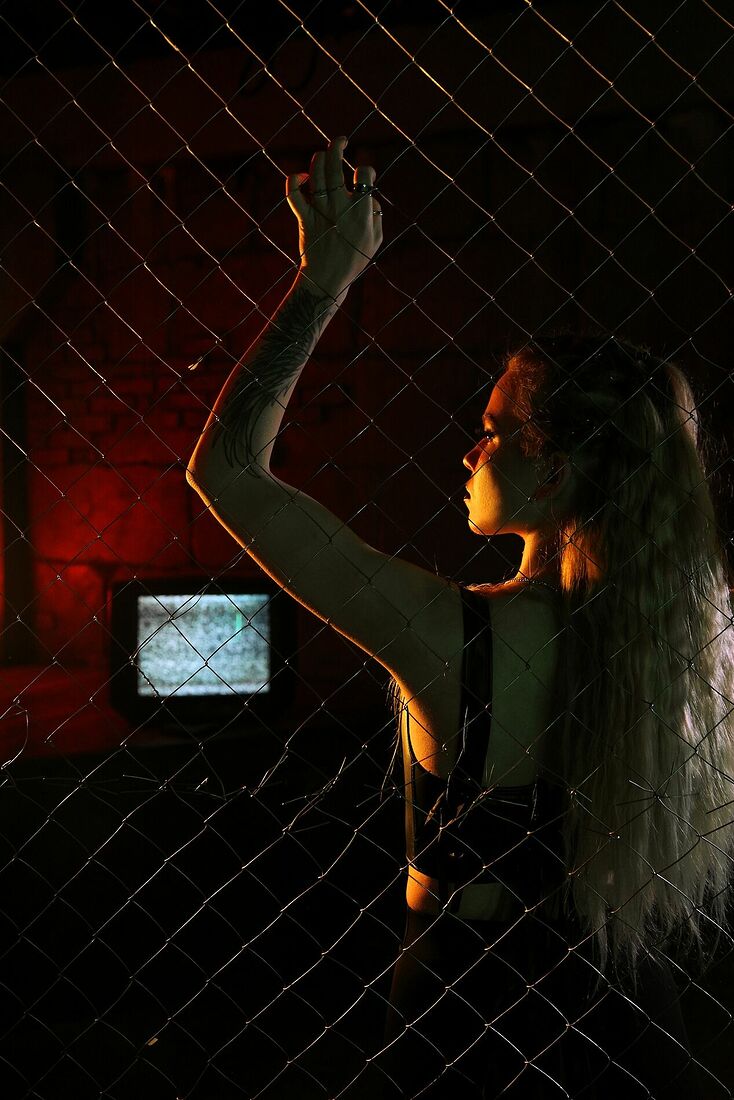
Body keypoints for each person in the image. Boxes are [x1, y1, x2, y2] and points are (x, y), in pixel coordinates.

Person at [187, 137, 734, 1097]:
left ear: (550, 471)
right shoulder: (696, 644)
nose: (468, 454)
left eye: (490, 432)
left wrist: (323, 284)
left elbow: (227, 473)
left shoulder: (456, 638)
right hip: (632, 1014)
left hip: (466, 1011)